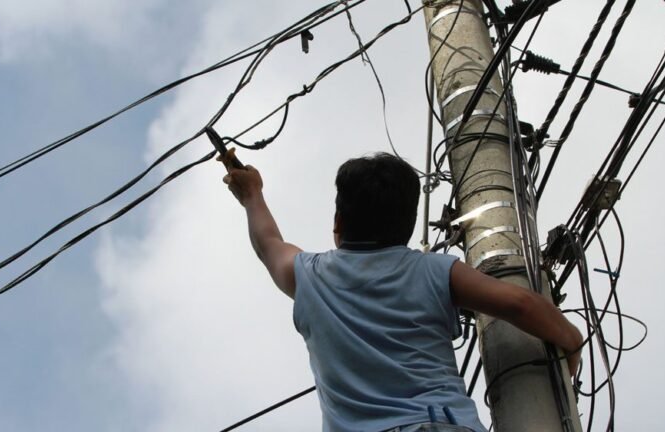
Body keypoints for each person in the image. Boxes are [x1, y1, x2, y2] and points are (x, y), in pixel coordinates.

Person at [220, 151, 582, 432]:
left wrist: (251, 194)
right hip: (440, 423)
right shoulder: (433, 270)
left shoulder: (309, 276)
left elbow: (268, 242)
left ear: (338, 221)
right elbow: (519, 303)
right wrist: (571, 339)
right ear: (407, 227)